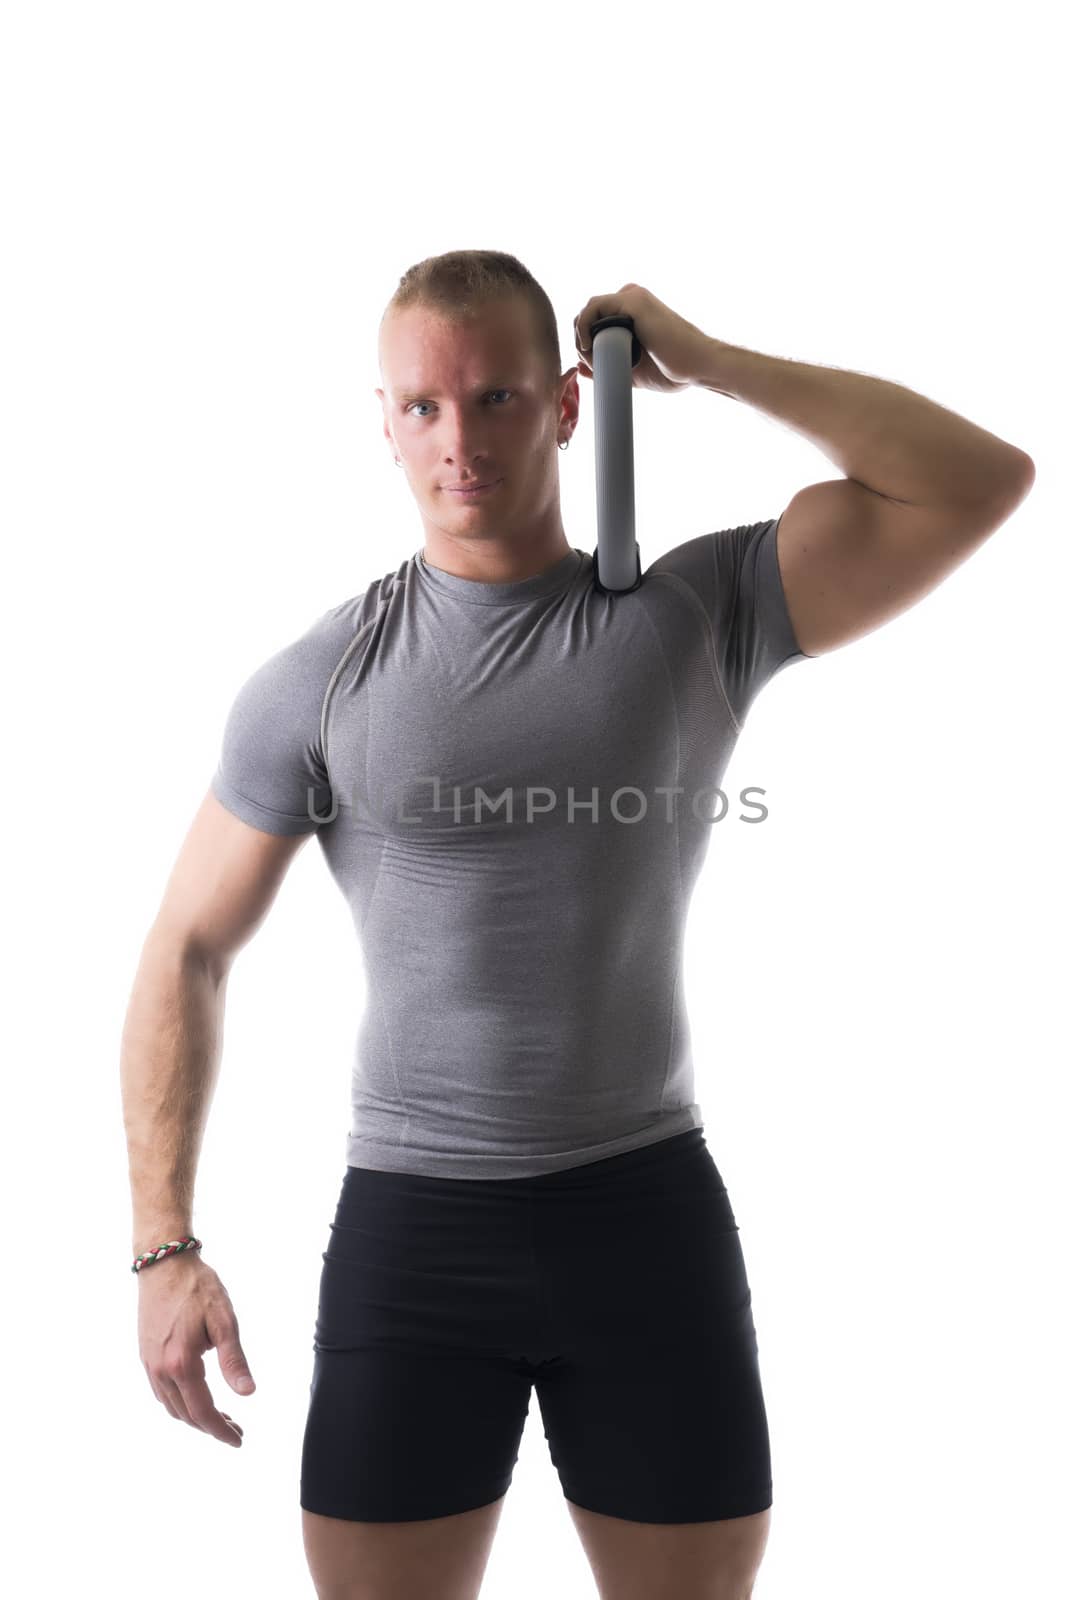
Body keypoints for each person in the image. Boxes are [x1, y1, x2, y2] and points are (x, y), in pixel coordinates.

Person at [121, 249, 1033, 1600]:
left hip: (643, 1218)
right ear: (380, 421)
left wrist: (711, 363)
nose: (458, 441)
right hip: (413, 1236)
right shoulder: (322, 680)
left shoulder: (695, 616)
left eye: (494, 400)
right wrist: (163, 1245)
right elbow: (186, 946)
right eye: (421, 408)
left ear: (564, 406)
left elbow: (976, 480)